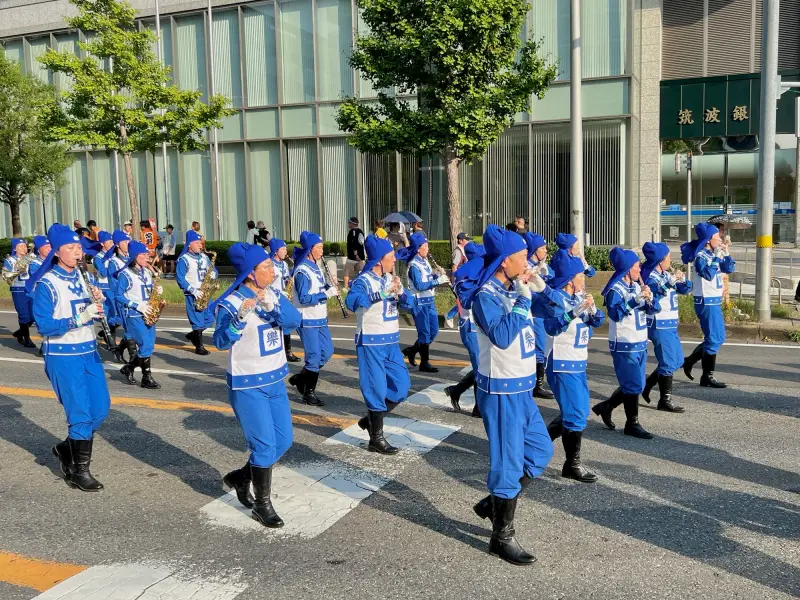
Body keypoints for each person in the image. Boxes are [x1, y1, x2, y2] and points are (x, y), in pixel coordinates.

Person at [464, 224, 552, 566]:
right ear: (504, 262)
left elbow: (548, 312)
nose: (527, 261)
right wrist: (522, 301)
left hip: (521, 387)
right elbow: (501, 335)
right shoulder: (487, 297)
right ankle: (501, 537)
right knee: (507, 465)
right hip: (500, 390)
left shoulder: (514, 286)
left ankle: (493, 505)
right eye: (520, 257)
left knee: (541, 451)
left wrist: (537, 288)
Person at [212, 243, 302, 528]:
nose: (272, 269)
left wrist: (272, 306)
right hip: (247, 383)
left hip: (274, 378)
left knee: (284, 440)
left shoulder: (274, 294)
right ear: (251, 273)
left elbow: (294, 320)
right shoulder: (230, 303)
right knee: (264, 446)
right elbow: (220, 341)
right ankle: (262, 505)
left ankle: (241, 476)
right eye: (265, 267)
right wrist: (238, 321)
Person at [27, 224, 110, 492]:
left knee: (100, 408)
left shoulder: (84, 279)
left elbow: (95, 311)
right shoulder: (47, 284)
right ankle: (78, 471)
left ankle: (66, 448)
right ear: (57, 252)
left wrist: (99, 302)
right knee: (80, 414)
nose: (78, 253)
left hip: (89, 351)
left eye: (79, 248)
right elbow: (44, 325)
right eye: (71, 248)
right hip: (63, 355)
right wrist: (79, 318)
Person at [345, 235, 416, 454]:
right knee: (375, 388)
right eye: (390, 257)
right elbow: (352, 302)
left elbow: (411, 304)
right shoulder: (363, 281)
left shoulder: (389, 279)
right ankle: (376, 438)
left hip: (391, 341)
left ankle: (370, 420)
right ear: (378, 261)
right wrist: (380, 294)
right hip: (371, 341)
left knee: (401, 386)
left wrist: (401, 293)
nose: (394, 260)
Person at [542, 250, 605, 482]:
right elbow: (552, 327)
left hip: (577, 361)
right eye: (580, 275)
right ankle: (572, 464)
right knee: (576, 414)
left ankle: (536, 444)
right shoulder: (556, 299)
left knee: (576, 412)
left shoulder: (578, 296)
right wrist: (573, 313)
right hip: (561, 362)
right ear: (570, 278)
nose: (583, 279)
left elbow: (598, 321)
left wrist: (592, 309)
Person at [591, 248, 658, 439]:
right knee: (634, 384)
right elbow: (614, 314)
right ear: (628, 269)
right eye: (637, 266)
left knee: (637, 383)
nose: (640, 270)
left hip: (639, 341)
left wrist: (649, 300)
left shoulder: (636, 286)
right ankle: (632, 423)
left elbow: (652, 310)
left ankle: (607, 406)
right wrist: (635, 301)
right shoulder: (615, 290)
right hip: (624, 344)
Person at [680, 223, 736, 388]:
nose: (720, 239)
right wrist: (717, 257)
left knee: (719, 338)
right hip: (705, 301)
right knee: (713, 338)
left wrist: (726, 254)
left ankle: (690, 361)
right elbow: (707, 275)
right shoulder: (701, 256)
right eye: (717, 237)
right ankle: (706, 376)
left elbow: (729, 268)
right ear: (707, 240)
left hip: (714, 300)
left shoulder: (713, 252)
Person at [641, 242, 691, 412]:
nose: (671, 260)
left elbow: (684, 290)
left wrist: (683, 280)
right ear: (660, 260)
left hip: (670, 323)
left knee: (677, 360)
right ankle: (664, 400)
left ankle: (648, 384)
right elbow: (657, 290)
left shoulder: (665, 274)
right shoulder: (650, 277)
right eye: (668, 257)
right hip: (659, 324)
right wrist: (671, 281)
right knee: (668, 362)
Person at [288, 231, 337, 406]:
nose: (322, 251)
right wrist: (326, 294)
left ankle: (302, 378)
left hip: (319, 318)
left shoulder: (315, 266)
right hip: (307, 318)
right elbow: (304, 298)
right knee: (314, 356)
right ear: (310, 249)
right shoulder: (302, 270)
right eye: (319, 247)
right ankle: (308, 393)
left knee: (327, 351)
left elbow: (318, 287)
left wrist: (328, 286)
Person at [445, 241, 485, 417]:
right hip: (469, 326)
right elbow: (466, 301)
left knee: (481, 365)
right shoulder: (465, 275)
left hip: (478, 325)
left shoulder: (479, 273)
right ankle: (478, 407)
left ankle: (456, 390)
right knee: (480, 366)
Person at [399, 232, 449, 373]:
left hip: (429, 301)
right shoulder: (414, 265)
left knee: (434, 331)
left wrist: (437, 274)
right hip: (419, 302)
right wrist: (438, 281)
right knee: (425, 333)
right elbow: (420, 285)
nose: (428, 248)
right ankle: (424, 362)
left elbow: (427, 277)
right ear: (418, 248)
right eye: (425, 246)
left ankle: (412, 350)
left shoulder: (424, 261)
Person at [116, 242, 162, 389]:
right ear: (135, 257)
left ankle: (135, 371)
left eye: (146, 254)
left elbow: (147, 292)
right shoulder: (125, 274)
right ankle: (143, 375)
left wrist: (156, 292)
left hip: (149, 313)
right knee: (146, 345)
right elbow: (118, 296)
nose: (146, 257)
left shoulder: (146, 272)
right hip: (134, 315)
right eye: (143, 255)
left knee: (149, 345)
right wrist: (137, 305)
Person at [176, 230, 218, 355]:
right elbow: (180, 278)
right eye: (198, 243)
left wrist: (214, 273)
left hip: (205, 293)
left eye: (201, 243)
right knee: (197, 319)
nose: (201, 245)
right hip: (193, 294)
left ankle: (194, 334)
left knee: (210, 318)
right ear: (190, 244)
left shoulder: (204, 257)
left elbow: (214, 270)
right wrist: (193, 290)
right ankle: (199, 346)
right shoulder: (184, 259)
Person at [525, 232, 556, 400]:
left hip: (544, 312)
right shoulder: (528, 267)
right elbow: (530, 294)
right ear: (534, 250)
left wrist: (547, 275)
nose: (546, 250)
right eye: (542, 248)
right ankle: (537, 384)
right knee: (539, 348)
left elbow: (553, 283)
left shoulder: (542, 265)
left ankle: (538, 382)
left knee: (545, 347)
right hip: (534, 312)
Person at [268, 237, 300, 363]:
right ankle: (276, 350)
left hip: (285, 297)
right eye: (283, 249)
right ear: (276, 251)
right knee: (274, 324)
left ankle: (287, 351)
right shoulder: (269, 264)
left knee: (286, 324)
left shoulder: (284, 264)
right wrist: (279, 292)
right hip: (273, 298)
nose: (285, 251)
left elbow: (286, 279)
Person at [3, 238, 36, 348]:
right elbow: (7, 274)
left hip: (32, 289)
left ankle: (19, 333)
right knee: (24, 315)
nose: (24, 248)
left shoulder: (33, 258)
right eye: (20, 246)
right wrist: (22, 263)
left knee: (34, 315)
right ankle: (27, 339)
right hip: (18, 290)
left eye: (25, 246)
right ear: (15, 249)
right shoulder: (10, 260)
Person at [93, 231, 122, 349]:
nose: (112, 244)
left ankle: (106, 332)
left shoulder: (116, 257)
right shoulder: (98, 258)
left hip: (115, 287)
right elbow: (104, 273)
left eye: (112, 242)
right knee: (108, 315)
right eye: (109, 242)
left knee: (119, 316)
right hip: (104, 288)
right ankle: (111, 342)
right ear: (102, 243)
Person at [344, 217, 366, 289]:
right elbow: (361, 243)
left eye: (349, 223)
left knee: (347, 270)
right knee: (361, 272)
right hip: (361, 256)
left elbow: (354, 244)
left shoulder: (352, 232)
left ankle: (346, 286)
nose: (348, 224)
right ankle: (361, 286)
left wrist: (356, 254)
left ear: (352, 223)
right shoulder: (361, 231)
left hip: (353, 256)